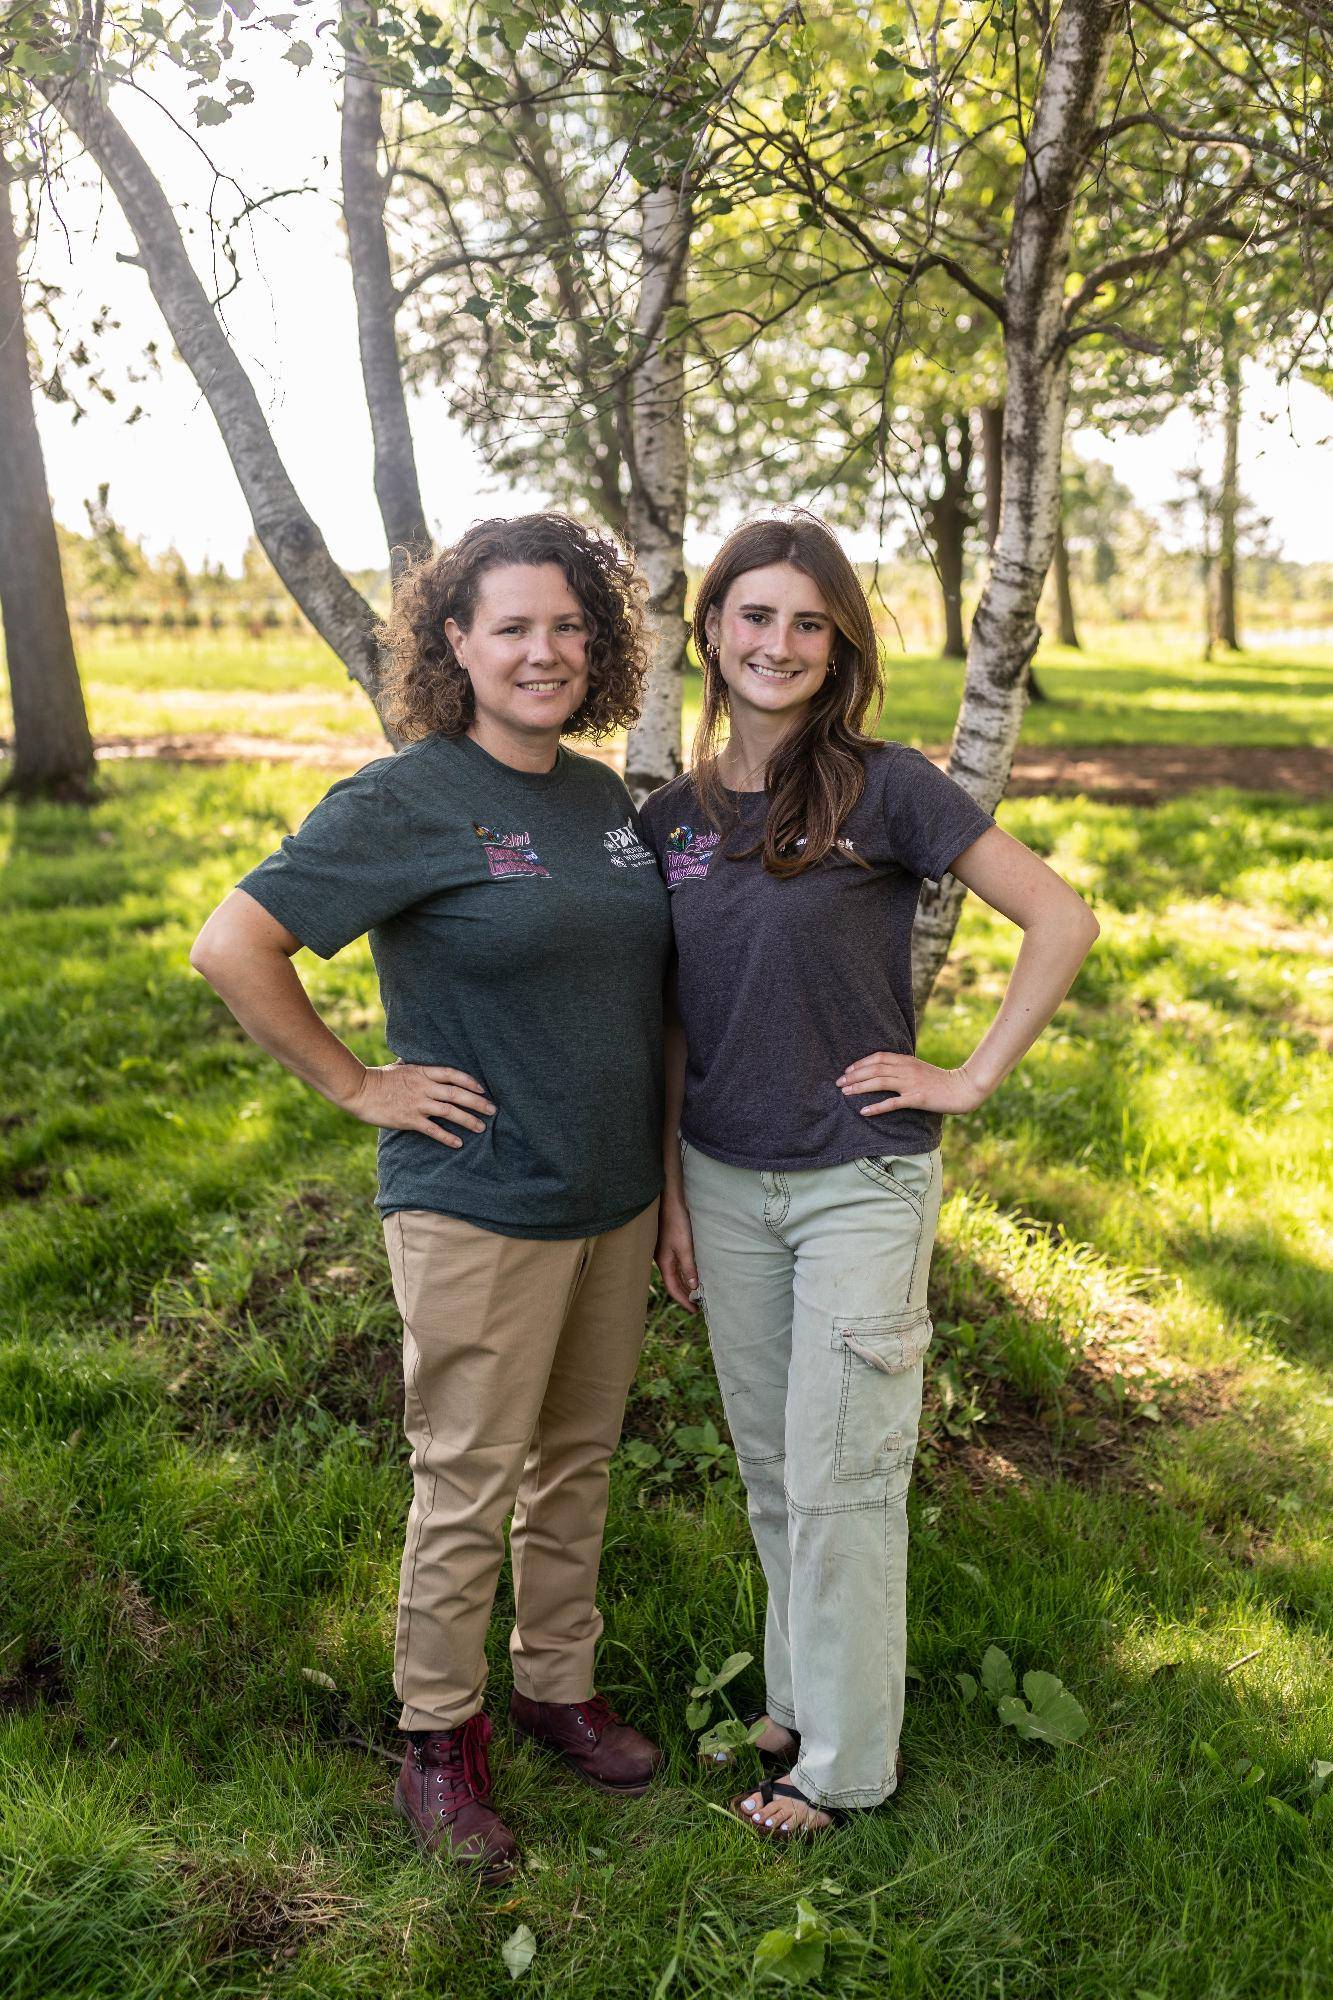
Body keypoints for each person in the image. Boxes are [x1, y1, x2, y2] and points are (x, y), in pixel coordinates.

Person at [191, 514, 673, 1885]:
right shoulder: (405, 799)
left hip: (614, 1195)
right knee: (467, 1481)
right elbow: (233, 943)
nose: (543, 651)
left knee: (573, 1467)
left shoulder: (597, 802)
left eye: (568, 626)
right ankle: (436, 1736)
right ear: (451, 643)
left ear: (600, 646)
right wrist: (356, 1084)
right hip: (476, 1200)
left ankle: (552, 1687)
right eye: (510, 626)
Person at [641, 513, 1100, 1839]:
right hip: (724, 1183)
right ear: (712, 628)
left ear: (833, 643)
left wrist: (963, 1078)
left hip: (856, 1181)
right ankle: (795, 1699)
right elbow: (674, 1017)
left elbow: (1058, 917)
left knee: (844, 1477)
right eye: (752, 615)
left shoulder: (885, 785)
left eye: (805, 621)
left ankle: (840, 1770)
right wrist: (672, 1190)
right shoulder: (670, 815)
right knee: (774, 1470)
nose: (775, 644)